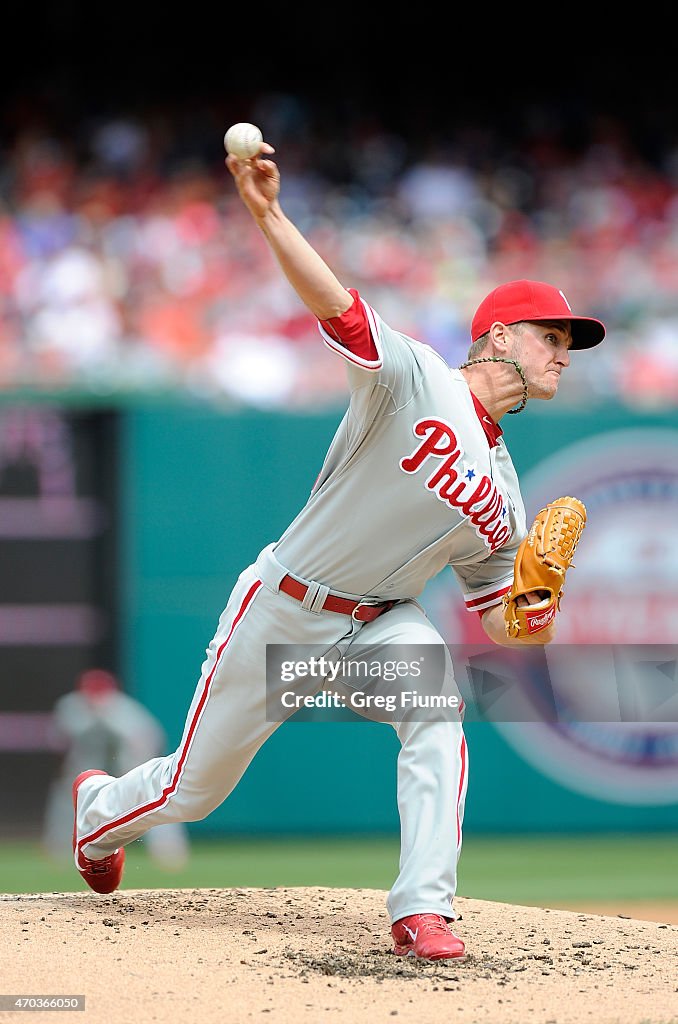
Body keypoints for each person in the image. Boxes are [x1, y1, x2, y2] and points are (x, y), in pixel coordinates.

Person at [70, 133, 605, 960]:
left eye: (568, 345)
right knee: (193, 789)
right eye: (550, 337)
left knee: (437, 710)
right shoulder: (417, 376)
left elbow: (502, 623)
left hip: (380, 626)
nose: (563, 354)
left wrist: (534, 606)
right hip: (284, 612)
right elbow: (340, 309)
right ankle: (99, 812)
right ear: (498, 335)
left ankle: (423, 910)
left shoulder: (505, 491)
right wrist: (270, 215)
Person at [45, 668, 190, 870]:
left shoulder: (124, 710)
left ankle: (169, 852)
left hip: (127, 762)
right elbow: (59, 741)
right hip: (89, 762)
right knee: (66, 798)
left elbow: (148, 740)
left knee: (154, 798)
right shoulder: (70, 707)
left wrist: (138, 772)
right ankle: (58, 851)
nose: (96, 700)